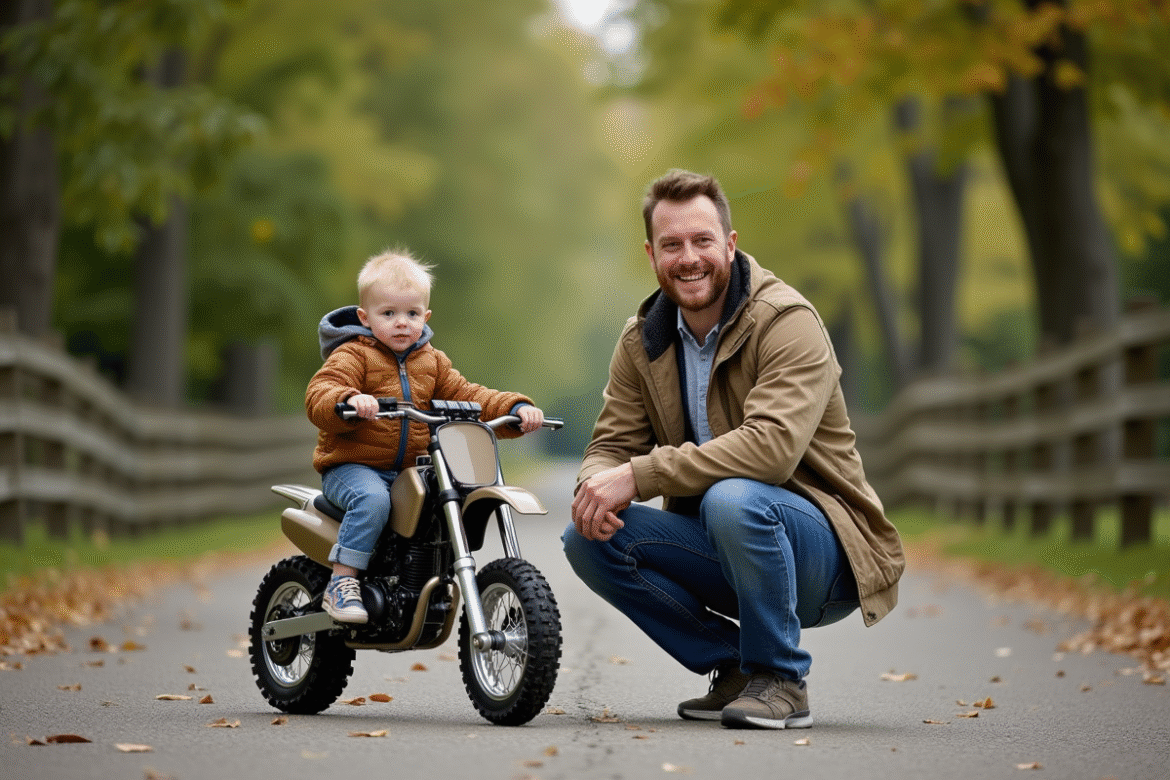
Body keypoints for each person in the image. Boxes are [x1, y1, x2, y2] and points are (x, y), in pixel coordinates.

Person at [564, 169, 904, 730]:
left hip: (826, 557)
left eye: (702, 241)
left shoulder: (787, 322)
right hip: (730, 548)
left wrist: (639, 476)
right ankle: (739, 672)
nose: (689, 258)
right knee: (586, 536)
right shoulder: (642, 339)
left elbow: (769, 452)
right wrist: (594, 487)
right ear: (652, 254)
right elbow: (611, 445)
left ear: (730, 243)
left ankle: (782, 680)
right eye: (672, 245)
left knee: (735, 497)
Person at [306, 250, 544, 623]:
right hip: (353, 468)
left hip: (410, 471)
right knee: (373, 502)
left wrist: (514, 409)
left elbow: (471, 396)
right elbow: (322, 391)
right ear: (365, 318)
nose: (402, 323)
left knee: (442, 502)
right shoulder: (354, 355)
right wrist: (349, 400)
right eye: (389, 314)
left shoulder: (432, 363)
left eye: (412, 314)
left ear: (426, 316)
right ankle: (343, 580)